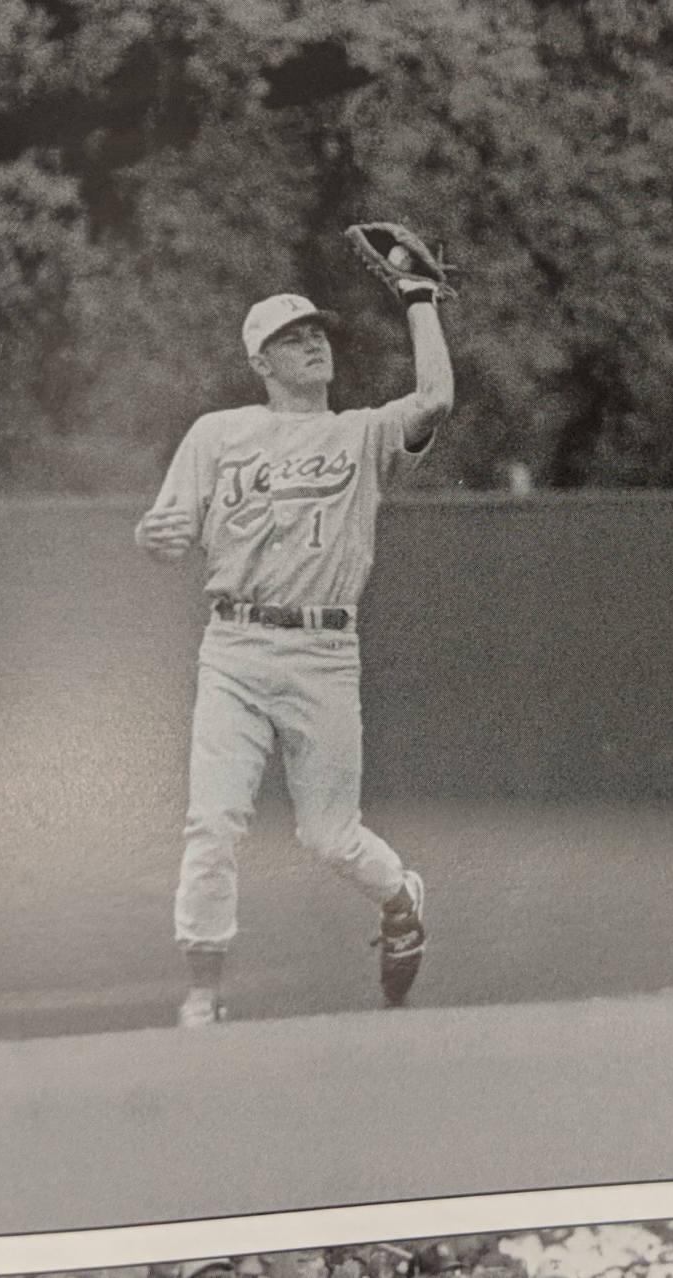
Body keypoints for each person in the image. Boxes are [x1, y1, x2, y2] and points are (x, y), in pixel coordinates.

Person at [135, 254, 453, 1027]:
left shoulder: (362, 433)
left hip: (321, 652)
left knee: (329, 835)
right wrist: (155, 536)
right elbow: (164, 531)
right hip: (235, 648)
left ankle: (399, 894)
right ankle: (203, 995)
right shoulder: (218, 434)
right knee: (212, 822)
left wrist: (418, 297)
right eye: (291, 335)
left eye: (317, 331)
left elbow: (438, 398)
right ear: (260, 361)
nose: (313, 343)